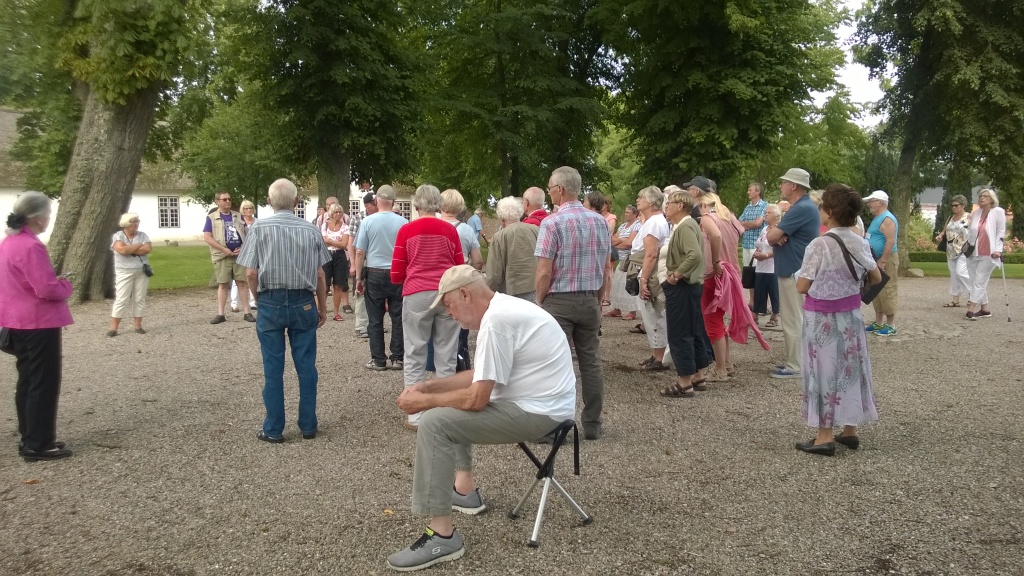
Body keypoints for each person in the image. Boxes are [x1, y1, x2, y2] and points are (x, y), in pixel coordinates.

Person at [388, 265, 576, 571]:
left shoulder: (497, 321)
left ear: (465, 294)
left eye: (449, 305)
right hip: (547, 407)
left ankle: (441, 535)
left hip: (541, 414)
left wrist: (424, 402)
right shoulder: (503, 308)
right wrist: (428, 386)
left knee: (435, 422)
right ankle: (464, 491)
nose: (449, 314)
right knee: (449, 408)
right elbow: (481, 375)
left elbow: (477, 399)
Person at [237, 178, 331, 443]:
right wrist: (322, 307)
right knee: (306, 366)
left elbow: (250, 273)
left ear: (269, 202)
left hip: (270, 300)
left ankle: (274, 428)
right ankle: (308, 424)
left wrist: (259, 299)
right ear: (296, 202)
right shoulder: (311, 230)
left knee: (273, 367)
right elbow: (320, 273)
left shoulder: (258, 228)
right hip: (303, 301)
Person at [794, 184, 881, 456]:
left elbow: (802, 285)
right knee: (850, 369)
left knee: (823, 371)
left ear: (830, 212)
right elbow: (876, 276)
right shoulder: (859, 241)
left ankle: (824, 436)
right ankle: (850, 429)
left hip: (822, 318)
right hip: (851, 316)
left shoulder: (819, 245)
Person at [535, 166, 611, 440]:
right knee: (591, 362)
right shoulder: (600, 222)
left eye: (550, 188)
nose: (549, 192)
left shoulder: (552, 223)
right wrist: (598, 299)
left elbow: (544, 271)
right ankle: (592, 423)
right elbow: (605, 267)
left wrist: (539, 301)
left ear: (560, 189)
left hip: (559, 300)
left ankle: (553, 427)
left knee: (554, 364)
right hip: (589, 298)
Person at [0, 192, 74, 461]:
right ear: (38, 218)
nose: (49, 219)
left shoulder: (8, 242)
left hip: (15, 320)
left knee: (28, 380)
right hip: (38, 321)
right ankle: (40, 444)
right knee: (43, 382)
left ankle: (29, 436)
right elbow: (46, 289)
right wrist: (65, 285)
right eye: (48, 214)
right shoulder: (32, 246)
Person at [392, 185, 465, 428]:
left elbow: (396, 272)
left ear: (415, 205)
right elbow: (459, 266)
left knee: (415, 352)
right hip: (446, 292)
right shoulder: (450, 230)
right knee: (447, 352)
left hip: (416, 293)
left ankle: (415, 413)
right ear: (438, 205)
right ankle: (445, 410)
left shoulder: (406, 230)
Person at [697, 193, 769, 381]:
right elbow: (741, 231)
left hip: (713, 274)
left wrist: (715, 260)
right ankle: (726, 364)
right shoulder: (729, 218)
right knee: (718, 320)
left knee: (712, 321)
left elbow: (715, 235)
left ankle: (720, 369)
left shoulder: (707, 218)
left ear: (704, 205)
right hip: (730, 272)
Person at [767, 168, 820, 379]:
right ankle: (797, 359)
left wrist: (777, 233)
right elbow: (774, 234)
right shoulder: (805, 207)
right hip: (796, 269)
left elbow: (772, 236)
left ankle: (795, 364)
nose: (781, 185)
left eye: (784, 182)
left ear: (794, 185)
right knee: (795, 317)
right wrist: (778, 233)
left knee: (792, 318)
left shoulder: (801, 208)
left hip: (793, 270)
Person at [657, 191, 711, 397]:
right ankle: (697, 376)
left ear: (680, 206)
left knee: (679, 333)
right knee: (693, 329)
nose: (666, 206)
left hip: (683, 286)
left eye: (669, 203)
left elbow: (694, 255)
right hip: (690, 286)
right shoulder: (687, 225)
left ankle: (684, 383)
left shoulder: (685, 226)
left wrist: (676, 275)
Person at [355, 185, 408, 370]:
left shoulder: (368, 222)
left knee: (375, 319)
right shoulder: (403, 223)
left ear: (376, 200)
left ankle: (378, 359)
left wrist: (359, 277)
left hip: (375, 272)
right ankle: (397, 357)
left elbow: (360, 251)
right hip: (397, 272)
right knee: (398, 316)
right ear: (394, 201)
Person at [626, 186, 671, 370]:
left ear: (651, 202)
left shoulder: (654, 223)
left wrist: (643, 280)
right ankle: (655, 354)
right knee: (650, 315)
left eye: (641, 197)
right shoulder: (653, 221)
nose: (638, 200)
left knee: (654, 314)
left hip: (650, 273)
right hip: (647, 269)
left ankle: (660, 358)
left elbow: (651, 254)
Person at [204, 191, 253, 324]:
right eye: (224, 199)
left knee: (242, 283)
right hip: (222, 256)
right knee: (223, 284)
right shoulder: (211, 218)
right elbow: (207, 237)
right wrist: (223, 249)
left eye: (229, 199)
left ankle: (247, 312)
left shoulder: (238, 216)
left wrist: (243, 247)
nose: (228, 201)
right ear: (217, 202)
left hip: (239, 256)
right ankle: (221, 314)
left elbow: (248, 235)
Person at [485, 196, 539, 301]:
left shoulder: (499, 237)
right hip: (535, 288)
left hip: (511, 292)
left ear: (502, 219)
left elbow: (494, 273)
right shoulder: (536, 230)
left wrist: (489, 293)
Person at [965, 188, 1006, 320]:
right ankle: (985, 309)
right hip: (974, 252)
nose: (982, 198)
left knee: (979, 280)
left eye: (986, 196)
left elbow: (1000, 232)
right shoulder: (976, 212)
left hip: (990, 253)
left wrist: (998, 249)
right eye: (981, 196)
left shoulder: (998, 212)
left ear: (992, 199)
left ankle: (971, 309)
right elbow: (971, 231)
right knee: (974, 281)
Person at [108, 213, 152, 336]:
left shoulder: (143, 235)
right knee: (121, 299)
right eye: (133, 222)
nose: (136, 224)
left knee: (139, 298)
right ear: (126, 223)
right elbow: (122, 250)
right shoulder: (118, 236)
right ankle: (114, 328)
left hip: (141, 270)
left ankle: (138, 326)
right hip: (124, 271)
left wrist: (129, 248)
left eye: (137, 221)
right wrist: (138, 245)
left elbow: (147, 249)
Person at [863, 190, 899, 336]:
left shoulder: (887, 219)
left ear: (880, 202)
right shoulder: (878, 218)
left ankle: (890, 325)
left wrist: (883, 260)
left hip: (886, 259)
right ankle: (878, 322)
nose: (869, 205)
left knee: (888, 289)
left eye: (871, 201)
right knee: (876, 289)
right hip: (875, 258)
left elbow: (890, 241)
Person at [348, 193, 378, 337]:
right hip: (362, 259)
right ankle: (361, 325)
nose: (377, 206)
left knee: (376, 293)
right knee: (360, 292)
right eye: (374, 204)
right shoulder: (357, 218)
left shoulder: (380, 217)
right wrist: (353, 263)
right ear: (367, 205)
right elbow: (351, 242)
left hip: (375, 258)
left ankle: (374, 324)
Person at [606, 204, 642, 320]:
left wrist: (620, 241)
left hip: (630, 259)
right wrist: (622, 241)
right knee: (617, 284)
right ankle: (617, 308)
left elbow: (630, 243)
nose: (626, 214)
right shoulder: (622, 226)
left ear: (635, 214)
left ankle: (632, 311)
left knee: (629, 284)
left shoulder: (637, 225)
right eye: (625, 212)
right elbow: (612, 240)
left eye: (628, 213)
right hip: (622, 259)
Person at [935, 194, 972, 307]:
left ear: (963, 205)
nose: (953, 207)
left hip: (964, 249)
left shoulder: (969, 216)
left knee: (961, 272)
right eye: (952, 205)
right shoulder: (950, 218)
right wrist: (940, 235)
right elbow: (945, 230)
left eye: (956, 205)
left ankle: (974, 293)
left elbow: (975, 230)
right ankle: (955, 300)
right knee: (954, 274)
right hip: (951, 250)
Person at [739, 182, 768, 306]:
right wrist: (751, 224)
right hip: (746, 244)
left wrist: (747, 224)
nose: (748, 192)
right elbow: (739, 222)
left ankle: (761, 302)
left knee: (759, 274)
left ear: (758, 192)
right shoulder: (748, 207)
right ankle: (752, 301)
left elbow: (758, 223)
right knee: (749, 275)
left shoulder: (765, 206)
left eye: (750, 190)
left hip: (757, 246)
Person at [752, 204, 781, 328]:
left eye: (769, 212)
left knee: (774, 292)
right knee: (759, 291)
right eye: (766, 212)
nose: (766, 214)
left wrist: (766, 255)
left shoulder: (780, 229)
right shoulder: (764, 229)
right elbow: (759, 243)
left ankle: (775, 315)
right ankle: (756, 314)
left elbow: (780, 248)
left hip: (773, 267)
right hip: (761, 266)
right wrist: (757, 252)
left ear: (777, 216)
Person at [321, 203, 351, 321]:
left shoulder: (345, 227)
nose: (338, 214)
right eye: (336, 212)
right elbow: (322, 241)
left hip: (339, 256)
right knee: (324, 285)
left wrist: (330, 241)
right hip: (327, 254)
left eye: (340, 212)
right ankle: (320, 311)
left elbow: (344, 244)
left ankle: (336, 312)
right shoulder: (325, 225)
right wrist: (335, 242)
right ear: (331, 213)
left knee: (338, 285)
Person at [231, 200, 258, 312]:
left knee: (253, 276)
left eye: (250, 208)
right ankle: (234, 303)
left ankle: (253, 301)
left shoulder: (257, 222)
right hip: (241, 252)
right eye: (246, 208)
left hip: (254, 252)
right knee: (238, 278)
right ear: (243, 210)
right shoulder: (238, 222)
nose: (249, 210)